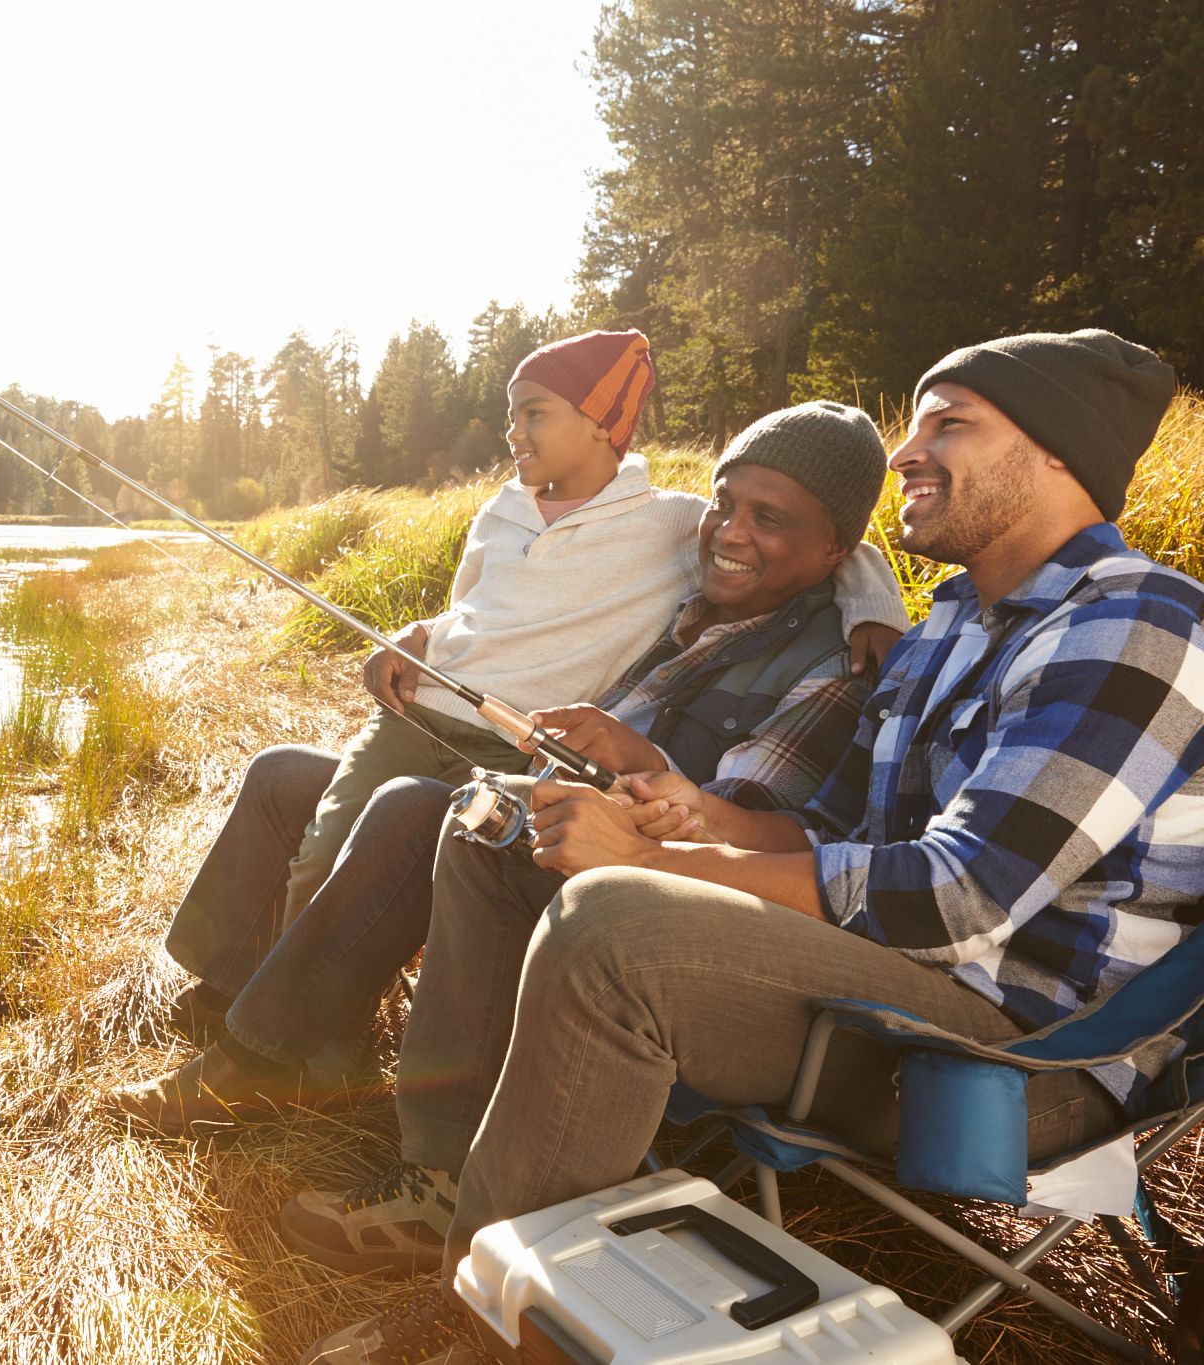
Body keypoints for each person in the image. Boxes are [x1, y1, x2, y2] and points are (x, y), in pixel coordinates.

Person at [299, 329, 1204, 1365]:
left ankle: (488, 1339)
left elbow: (958, 896)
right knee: (504, 825)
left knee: (614, 928)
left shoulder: (1135, 623)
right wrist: (681, 813)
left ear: (1058, 454)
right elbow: (830, 836)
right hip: (893, 968)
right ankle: (453, 1192)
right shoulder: (951, 624)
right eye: (910, 425)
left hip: (1018, 1044)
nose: (905, 453)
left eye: (947, 424)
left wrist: (646, 867)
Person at [139, 331, 908, 1109]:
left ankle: (268, 1058)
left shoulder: (817, 648)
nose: (733, 531)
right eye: (726, 505)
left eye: (767, 518)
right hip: (519, 777)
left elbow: (738, 822)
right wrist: (422, 636)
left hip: (604, 849)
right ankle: (230, 990)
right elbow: (493, 604)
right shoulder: (690, 588)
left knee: (405, 809)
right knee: (283, 776)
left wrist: (875, 601)